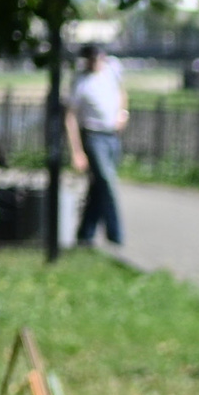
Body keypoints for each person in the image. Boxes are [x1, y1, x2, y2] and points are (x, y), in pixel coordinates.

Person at [64, 41, 126, 248]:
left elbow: (122, 93)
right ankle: (116, 235)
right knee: (107, 182)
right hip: (93, 136)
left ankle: (85, 234)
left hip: (112, 135)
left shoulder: (111, 72)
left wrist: (122, 114)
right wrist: (77, 152)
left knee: (98, 187)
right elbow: (70, 117)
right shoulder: (81, 83)